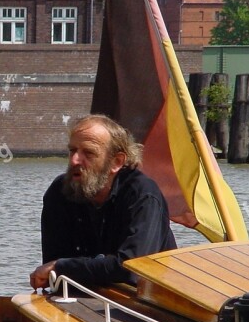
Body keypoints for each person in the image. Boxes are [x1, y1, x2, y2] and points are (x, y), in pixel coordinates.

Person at [29, 114, 176, 290]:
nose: (75, 160)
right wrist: (61, 268)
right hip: (84, 296)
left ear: (116, 162)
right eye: (72, 150)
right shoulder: (59, 193)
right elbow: (52, 268)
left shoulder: (142, 195)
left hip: (150, 302)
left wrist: (64, 267)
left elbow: (132, 268)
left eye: (88, 153)